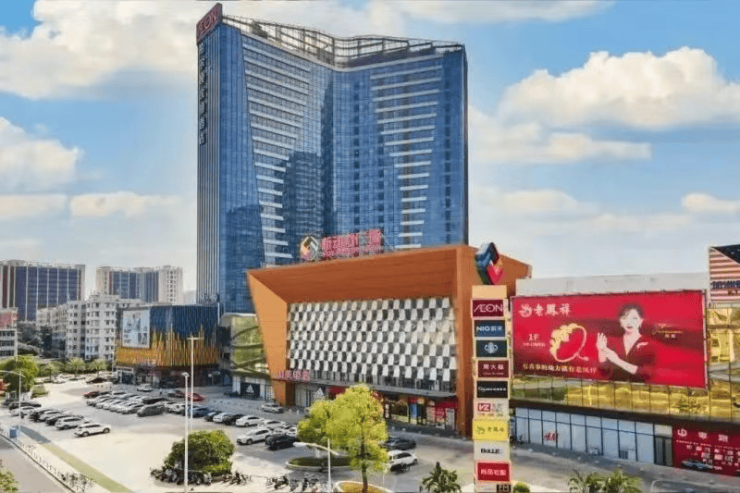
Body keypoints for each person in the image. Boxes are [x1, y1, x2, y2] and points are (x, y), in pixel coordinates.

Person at [596, 303, 656, 383]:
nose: (629, 322)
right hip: (616, 388)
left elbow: (647, 374)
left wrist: (617, 361)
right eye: (624, 318)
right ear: (620, 322)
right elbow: (605, 372)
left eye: (634, 318)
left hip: (640, 388)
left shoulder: (648, 343)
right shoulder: (613, 342)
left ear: (641, 320)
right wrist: (601, 351)